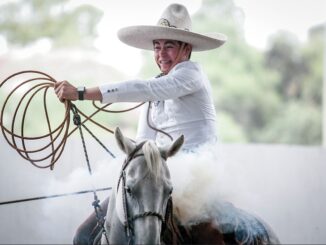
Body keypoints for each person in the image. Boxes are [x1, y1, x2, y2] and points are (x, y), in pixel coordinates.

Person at [54, 3, 227, 244]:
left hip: (195, 179)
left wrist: (81, 93)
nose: (161, 54)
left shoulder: (191, 75)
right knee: (84, 235)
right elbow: (144, 140)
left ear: (186, 49)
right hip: (155, 177)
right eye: (157, 47)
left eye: (169, 46)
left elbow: (144, 88)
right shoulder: (156, 90)